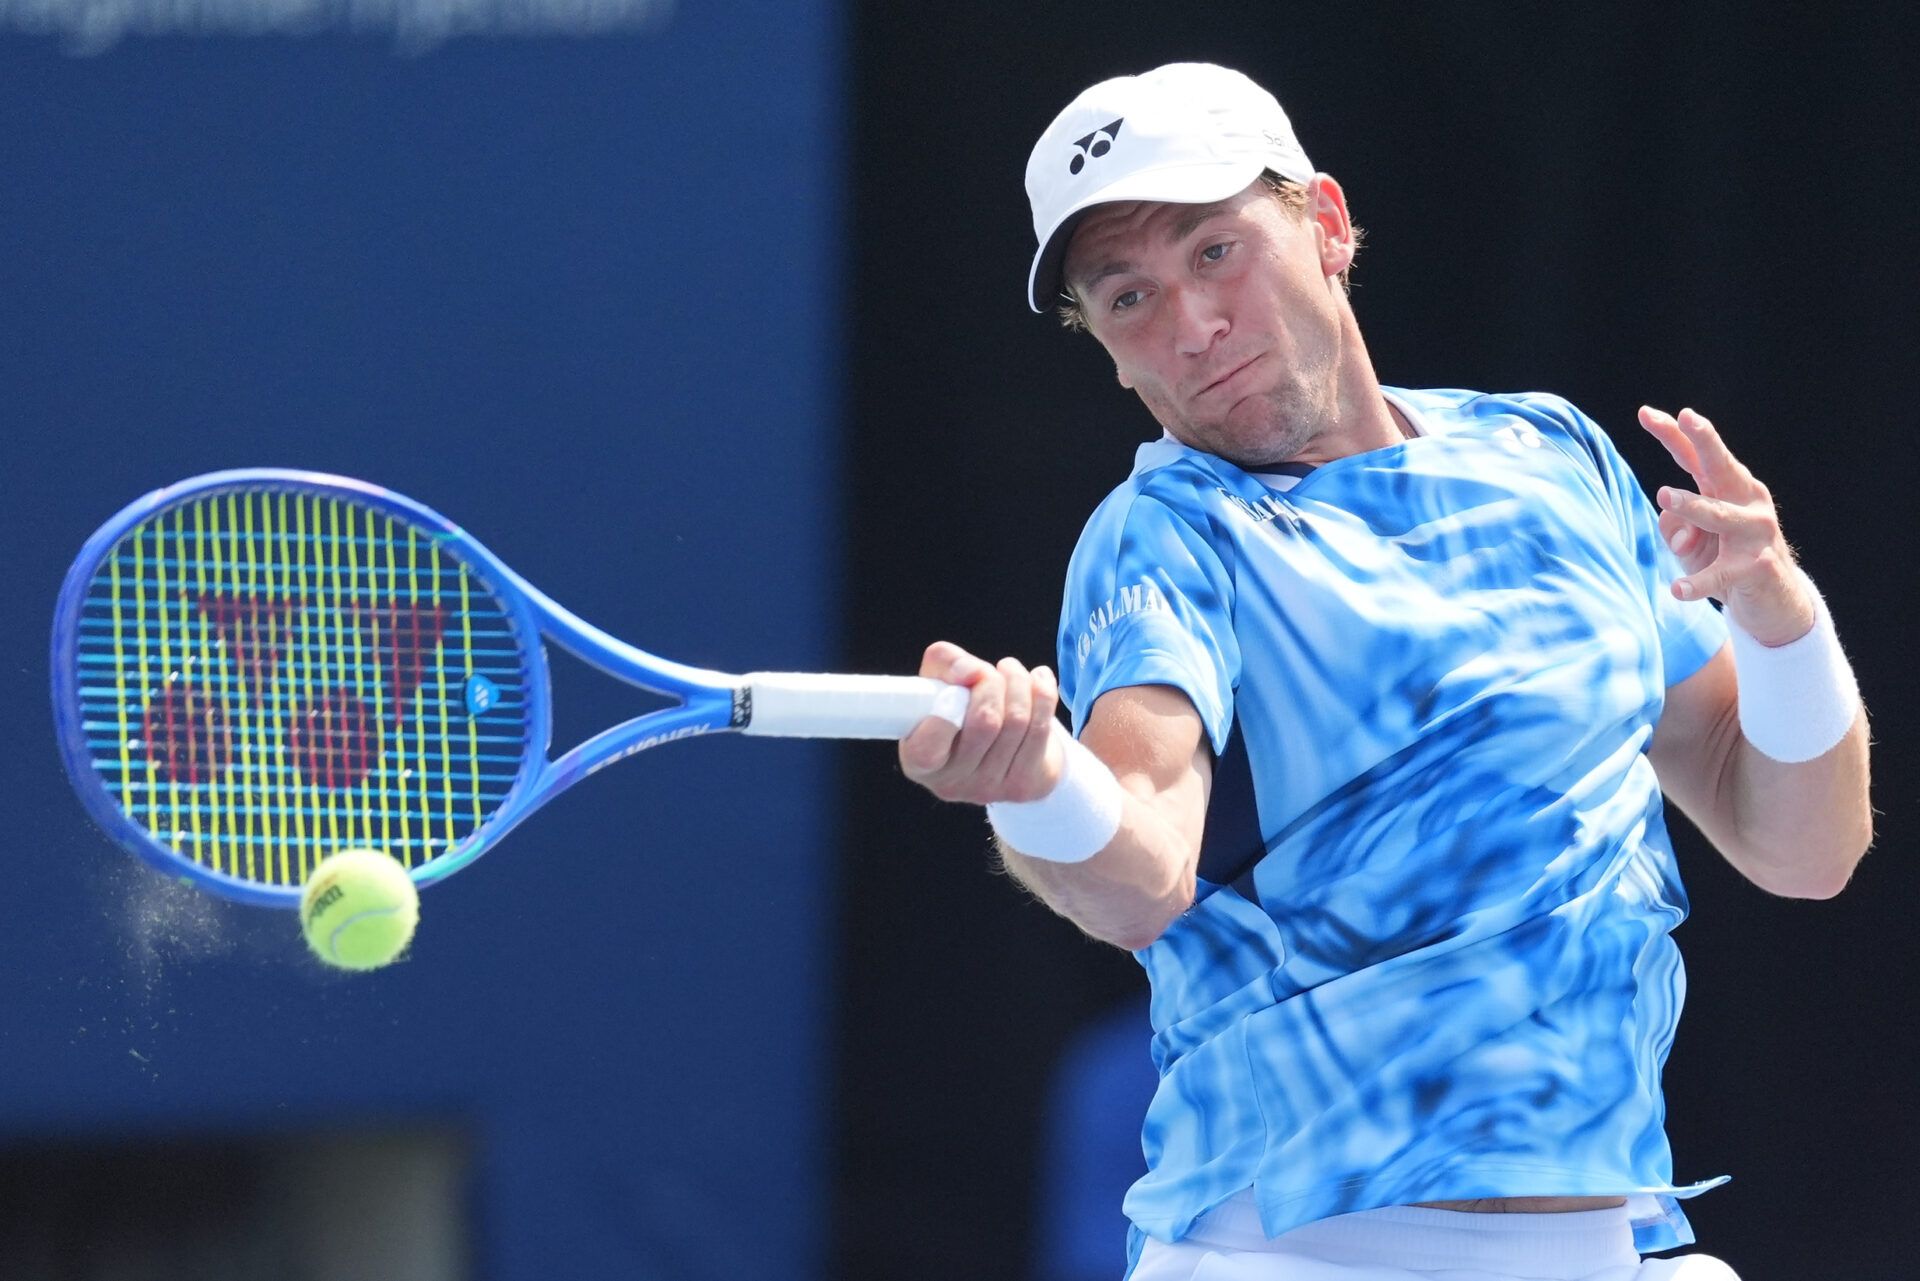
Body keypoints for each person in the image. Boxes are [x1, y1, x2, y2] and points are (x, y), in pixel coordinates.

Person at [897, 62, 1873, 1281]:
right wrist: (1034, 778)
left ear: (1327, 225)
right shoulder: (1167, 536)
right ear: (1106, 353)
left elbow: (1803, 845)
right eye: (1129, 295)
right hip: (1303, 1253)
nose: (1191, 326)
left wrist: (1779, 614)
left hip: (1612, 1237)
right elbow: (1141, 869)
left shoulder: (1552, 452)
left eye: (1215, 253)